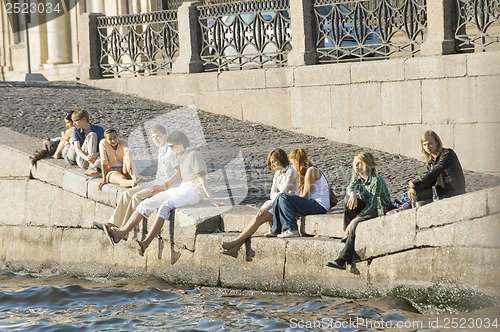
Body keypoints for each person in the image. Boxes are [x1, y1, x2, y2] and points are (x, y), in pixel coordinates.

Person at [102, 131, 222, 256]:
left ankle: (145, 243)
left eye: (172, 146)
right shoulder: (182, 156)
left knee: (165, 206)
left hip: (194, 192)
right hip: (182, 188)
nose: (170, 149)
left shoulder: (194, 155)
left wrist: (211, 199)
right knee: (146, 203)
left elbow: (202, 179)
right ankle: (120, 233)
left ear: (180, 144)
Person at [93, 125, 180, 230]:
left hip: (166, 185)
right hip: (157, 181)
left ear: (165, 136)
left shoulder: (170, 151)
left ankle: (124, 230)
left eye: (158, 136)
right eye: (153, 137)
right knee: (126, 194)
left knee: (136, 197)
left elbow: (179, 173)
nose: (155, 139)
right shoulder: (160, 150)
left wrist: (162, 186)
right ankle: (111, 225)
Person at [221, 148, 299, 257]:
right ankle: (236, 247)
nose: (272, 165)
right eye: (271, 163)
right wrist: (268, 204)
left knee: (258, 218)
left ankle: (236, 243)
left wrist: (268, 206)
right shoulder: (277, 174)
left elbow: (282, 194)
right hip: (276, 203)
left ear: (281, 159)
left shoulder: (291, 172)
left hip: (286, 206)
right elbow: (272, 194)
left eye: (274, 161)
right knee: (258, 217)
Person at [326, 151, 392, 273]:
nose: (356, 166)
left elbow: (373, 205)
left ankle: (342, 259)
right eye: (355, 163)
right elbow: (350, 187)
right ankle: (347, 235)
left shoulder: (375, 180)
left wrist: (355, 220)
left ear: (367, 165)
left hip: (379, 209)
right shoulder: (357, 176)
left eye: (359, 163)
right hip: (366, 206)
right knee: (347, 199)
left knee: (356, 225)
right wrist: (353, 193)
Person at [270, 148, 330, 238]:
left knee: (282, 196)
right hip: (313, 203)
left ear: (297, 161)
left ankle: (291, 229)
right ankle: (276, 229)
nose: (292, 166)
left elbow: (305, 195)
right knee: (280, 197)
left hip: (319, 205)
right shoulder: (304, 173)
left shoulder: (311, 171)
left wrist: (292, 196)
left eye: (292, 163)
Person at [408, 130, 465, 206]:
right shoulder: (431, 161)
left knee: (420, 200)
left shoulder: (447, 154)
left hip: (453, 192)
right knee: (416, 195)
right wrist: (415, 184)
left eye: (430, 144)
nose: (427, 147)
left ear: (437, 142)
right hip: (440, 191)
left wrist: (417, 187)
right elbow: (431, 181)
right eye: (424, 145)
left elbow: (435, 172)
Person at [64, 109, 105, 177]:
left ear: (84, 119)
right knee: (92, 135)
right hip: (83, 159)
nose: (74, 124)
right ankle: (92, 166)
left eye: (76, 121)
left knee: (92, 135)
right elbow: (77, 149)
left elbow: (103, 148)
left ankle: (93, 166)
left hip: (95, 158)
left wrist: (96, 155)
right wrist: (87, 158)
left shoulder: (99, 129)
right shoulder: (75, 130)